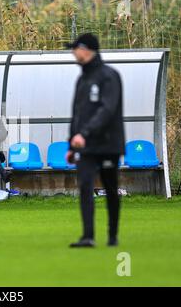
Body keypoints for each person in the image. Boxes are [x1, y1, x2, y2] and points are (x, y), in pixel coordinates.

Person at [65, 33, 125, 248]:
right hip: (85, 145)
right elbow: (77, 114)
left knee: (110, 187)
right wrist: (72, 143)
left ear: (87, 50)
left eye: (75, 48)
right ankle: (88, 236)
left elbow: (107, 110)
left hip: (108, 143)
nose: (73, 52)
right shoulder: (82, 79)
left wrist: (86, 133)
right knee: (85, 185)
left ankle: (112, 235)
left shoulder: (109, 76)